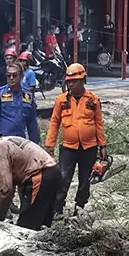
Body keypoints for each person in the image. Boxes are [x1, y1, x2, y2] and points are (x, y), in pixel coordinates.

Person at [0, 121, 60, 231]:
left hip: (40, 176)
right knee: (43, 225)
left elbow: (5, 189)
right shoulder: (8, 140)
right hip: (53, 172)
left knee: (26, 228)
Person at [46, 64, 107, 216]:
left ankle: (80, 207)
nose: (70, 84)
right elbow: (55, 122)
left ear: (83, 80)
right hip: (68, 147)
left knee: (85, 179)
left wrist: (103, 145)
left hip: (89, 147)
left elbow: (99, 123)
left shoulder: (93, 100)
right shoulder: (62, 100)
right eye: (68, 81)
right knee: (64, 177)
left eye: (74, 81)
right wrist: (50, 145)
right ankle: (57, 208)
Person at [0, 64, 40, 143]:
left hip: (20, 142)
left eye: (14, 75)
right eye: (9, 75)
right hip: (2, 141)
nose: (11, 78)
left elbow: (32, 123)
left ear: (21, 76)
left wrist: (36, 143)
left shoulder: (27, 96)